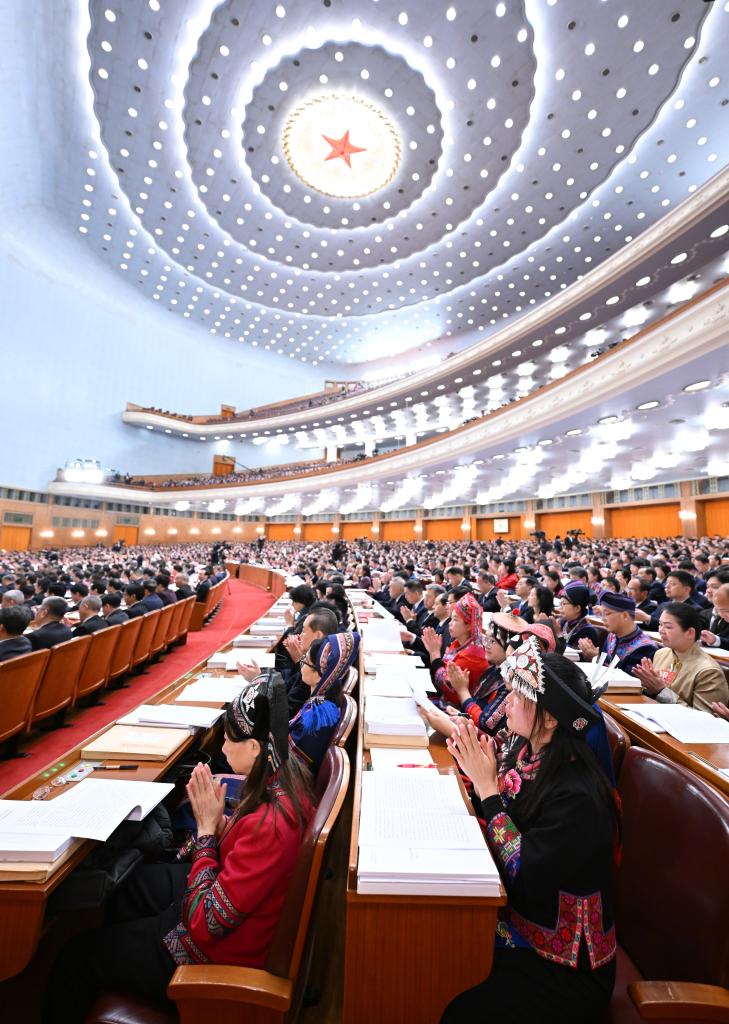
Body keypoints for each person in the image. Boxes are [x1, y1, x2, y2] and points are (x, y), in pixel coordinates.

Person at [46, 673, 313, 1024]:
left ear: (254, 747)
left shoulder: (272, 824)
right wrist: (220, 829)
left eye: (229, 739)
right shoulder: (284, 780)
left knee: (73, 959)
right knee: (128, 892)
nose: (222, 748)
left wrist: (206, 833)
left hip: (213, 958)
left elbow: (206, 922)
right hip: (227, 925)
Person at [440, 641, 620, 1024]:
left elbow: (524, 872)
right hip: (518, 922)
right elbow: (504, 810)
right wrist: (478, 778)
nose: (507, 701)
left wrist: (486, 789)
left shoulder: (577, 794)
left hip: (562, 966)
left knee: (453, 995)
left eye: (520, 696)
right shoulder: (526, 750)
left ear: (551, 718)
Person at [633, 602, 729, 713]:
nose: (661, 630)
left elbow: (703, 718)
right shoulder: (661, 653)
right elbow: (652, 695)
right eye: (660, 624)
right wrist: (647, 686)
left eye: (668, 626)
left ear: (690, 633)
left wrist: (661, 691)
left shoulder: (709, 671)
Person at [289, 630, 360, 773]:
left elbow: (294, 765)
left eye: (305, 661)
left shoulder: (319, 717)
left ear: (319, 675)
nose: (301, 665)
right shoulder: (323, 700)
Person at [422, 592, 489, 707]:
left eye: (455, 620)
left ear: (468, 626)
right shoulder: (458, 643)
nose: (450, 624)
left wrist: (434, 654)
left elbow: (448, 688)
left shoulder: (472, 655)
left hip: (455, 708)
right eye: (451, 619)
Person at [578, 591, 658, 676]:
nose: (603, 619)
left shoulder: (645, 648)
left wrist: (596, 659)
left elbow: (625, 681)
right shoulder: (612, 636)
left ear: (625, 615)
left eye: (607, 614)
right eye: (602, 614)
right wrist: (593, 658)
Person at [558, 581, 599, 648]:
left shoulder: (587, 632)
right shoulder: (563, 622)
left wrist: (558, 634)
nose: (560, 608)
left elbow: (570, 654)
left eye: (564, 604)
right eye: (560, 604)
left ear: (577, 608)